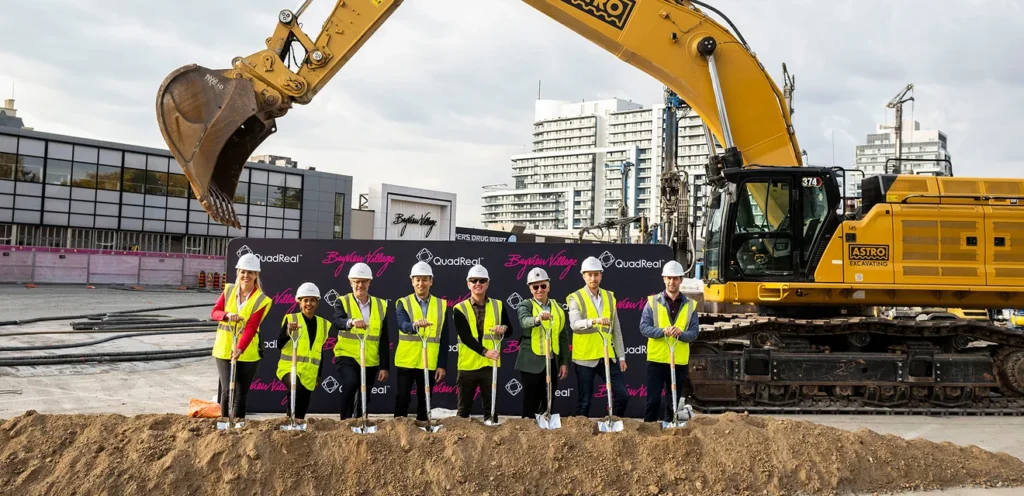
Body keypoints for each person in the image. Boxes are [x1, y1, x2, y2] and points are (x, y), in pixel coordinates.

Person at [210, 253, 273, 425]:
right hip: (223, 349)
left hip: (248, 352)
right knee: (226, 391)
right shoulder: (229, 290)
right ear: (238, 272)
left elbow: (252, 328)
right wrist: (228, 315)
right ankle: (224, 425)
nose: (246, 276)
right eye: (243, 272)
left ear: (256, 275)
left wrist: (240, 349)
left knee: (239, 393)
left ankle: (238, 427)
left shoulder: (262, 300)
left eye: (250, 272)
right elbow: (214, 312)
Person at [567, 256, 628, 417]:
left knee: (622, 396)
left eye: (596, 274)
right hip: (585, 357)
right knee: (584, 402)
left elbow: (616, 329)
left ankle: (613, 424)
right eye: (589, 275)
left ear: (601, 275)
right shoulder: (576, 297)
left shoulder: (609, 297)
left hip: (607, 356)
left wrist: (621, 356)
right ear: (583, 276)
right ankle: (582, 435)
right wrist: (594, 321)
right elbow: (574, 324)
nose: (593, 278)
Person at [452, 264, 514, 422]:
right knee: (463, 410)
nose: (477, 283)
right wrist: (485, 352)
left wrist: (503, 328)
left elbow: (510, 331)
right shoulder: (459, 308)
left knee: (491, 410)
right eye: (473, 280)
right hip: (468, 366)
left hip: (490, 366)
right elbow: (465, 337)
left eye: (482, 280)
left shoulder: (498, 305)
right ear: (468, 284)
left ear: (487, 283)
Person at [640, 260, 700, 422]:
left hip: (679, 361)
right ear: (664, 279)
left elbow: (694, 333)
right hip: (656, 360)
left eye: (675, 278)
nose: (672, 282)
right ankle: (648, 432)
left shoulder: (691, 306)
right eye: (669, 278)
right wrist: (662, 331)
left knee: (672, 403)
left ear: (681, 280)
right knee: (652, 401)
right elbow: (644, 328)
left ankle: (670, 433)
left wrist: (681, 334)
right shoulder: (652, 302)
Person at [331, 262, 391, 420]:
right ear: (350, 282)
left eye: (363, 281)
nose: (360, 285)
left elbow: (384, 338)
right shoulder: (342, 301)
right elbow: (337, 321)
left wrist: (384, 366)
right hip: (347, 355)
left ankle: (360, 422)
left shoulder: (381, 305)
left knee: (364, 394)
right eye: (356, 281)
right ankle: (345, 423)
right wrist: (350, 322)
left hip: (370, 359)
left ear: (369, 282)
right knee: (350, 384)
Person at [393, 261, 450, 421]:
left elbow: (444, 337)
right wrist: (413, 325)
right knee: (402, 398)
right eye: (417, 279)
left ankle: (424, 433)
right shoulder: (403, 303)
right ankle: (399, 431)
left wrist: (442, 365)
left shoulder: (441, 305)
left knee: (425, 399)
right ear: (412, 281)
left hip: (428, 361)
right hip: (407, 360)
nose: (421, 283)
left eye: (424, 279)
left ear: (431, 281)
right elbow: (402, 324)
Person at [514, 267, 570, 418]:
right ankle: (527, 432)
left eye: (543, 286)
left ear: (549, 286)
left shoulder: (558, 308)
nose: (540, 289)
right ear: (530, 289)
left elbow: (563, 337)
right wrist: (537, 319)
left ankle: (544, 432)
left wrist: (564, 362)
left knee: (549, 400)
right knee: (530, 402)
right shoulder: (525, 305)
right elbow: (524, 321)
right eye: (535, 286)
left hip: (552, 361)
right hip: (530, 362)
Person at [275, 282, 332, 421]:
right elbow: (279, 344)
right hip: (289, 368)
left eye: (312, 300)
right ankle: (290, 421)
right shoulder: (291, 319)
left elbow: (320, 352)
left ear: (317, 303)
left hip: (310, 372)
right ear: (299, 302)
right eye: (305, 300)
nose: (309, 304)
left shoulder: (324, 324)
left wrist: (319, 375)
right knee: (295, 389)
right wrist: (288, 331)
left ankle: (298, 425)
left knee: (304, 400)